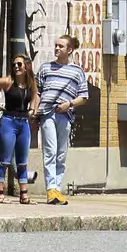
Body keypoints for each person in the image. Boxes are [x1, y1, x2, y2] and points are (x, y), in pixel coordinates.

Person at [35, 31, 89, 204]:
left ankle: (57, 189)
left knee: (61, 154)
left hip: (65, 114)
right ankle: (51, 189)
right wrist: (35, 111)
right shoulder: (45, 68)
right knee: (50, 150)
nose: (57, 48)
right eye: (56, 46)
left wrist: (69, 105)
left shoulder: (77, 71)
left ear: (70, 49)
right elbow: (36, 91)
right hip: (47, 113)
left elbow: (84, 96)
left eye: (61, 46)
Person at [0, 50, 37, 202]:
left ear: (26, 66)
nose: (16, 67)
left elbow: (35, 96)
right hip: (8, 121)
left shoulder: (30, 83)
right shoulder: (8, 81)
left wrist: (33, 109)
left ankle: (24, 194)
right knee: (5, 160)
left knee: (22, 161)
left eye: (19, 64)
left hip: (24, 122)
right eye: (14, 65)